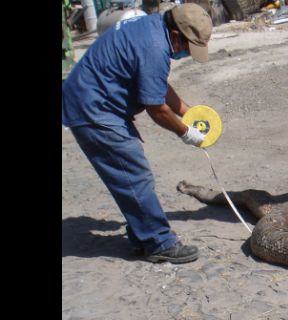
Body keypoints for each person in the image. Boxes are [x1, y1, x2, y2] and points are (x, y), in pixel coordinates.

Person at [62, 3, 213, 264]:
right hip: (93, 108)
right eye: (188, 48)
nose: (187, 54)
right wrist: (187, 133)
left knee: (129, 170)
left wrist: (188, 112)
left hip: (95, 101)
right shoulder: (155, 46)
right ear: (177, 35)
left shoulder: (152, 28)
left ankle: (143, 234)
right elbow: (157, 109)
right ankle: (158, 242)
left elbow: (156, 84)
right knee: (133, 173)